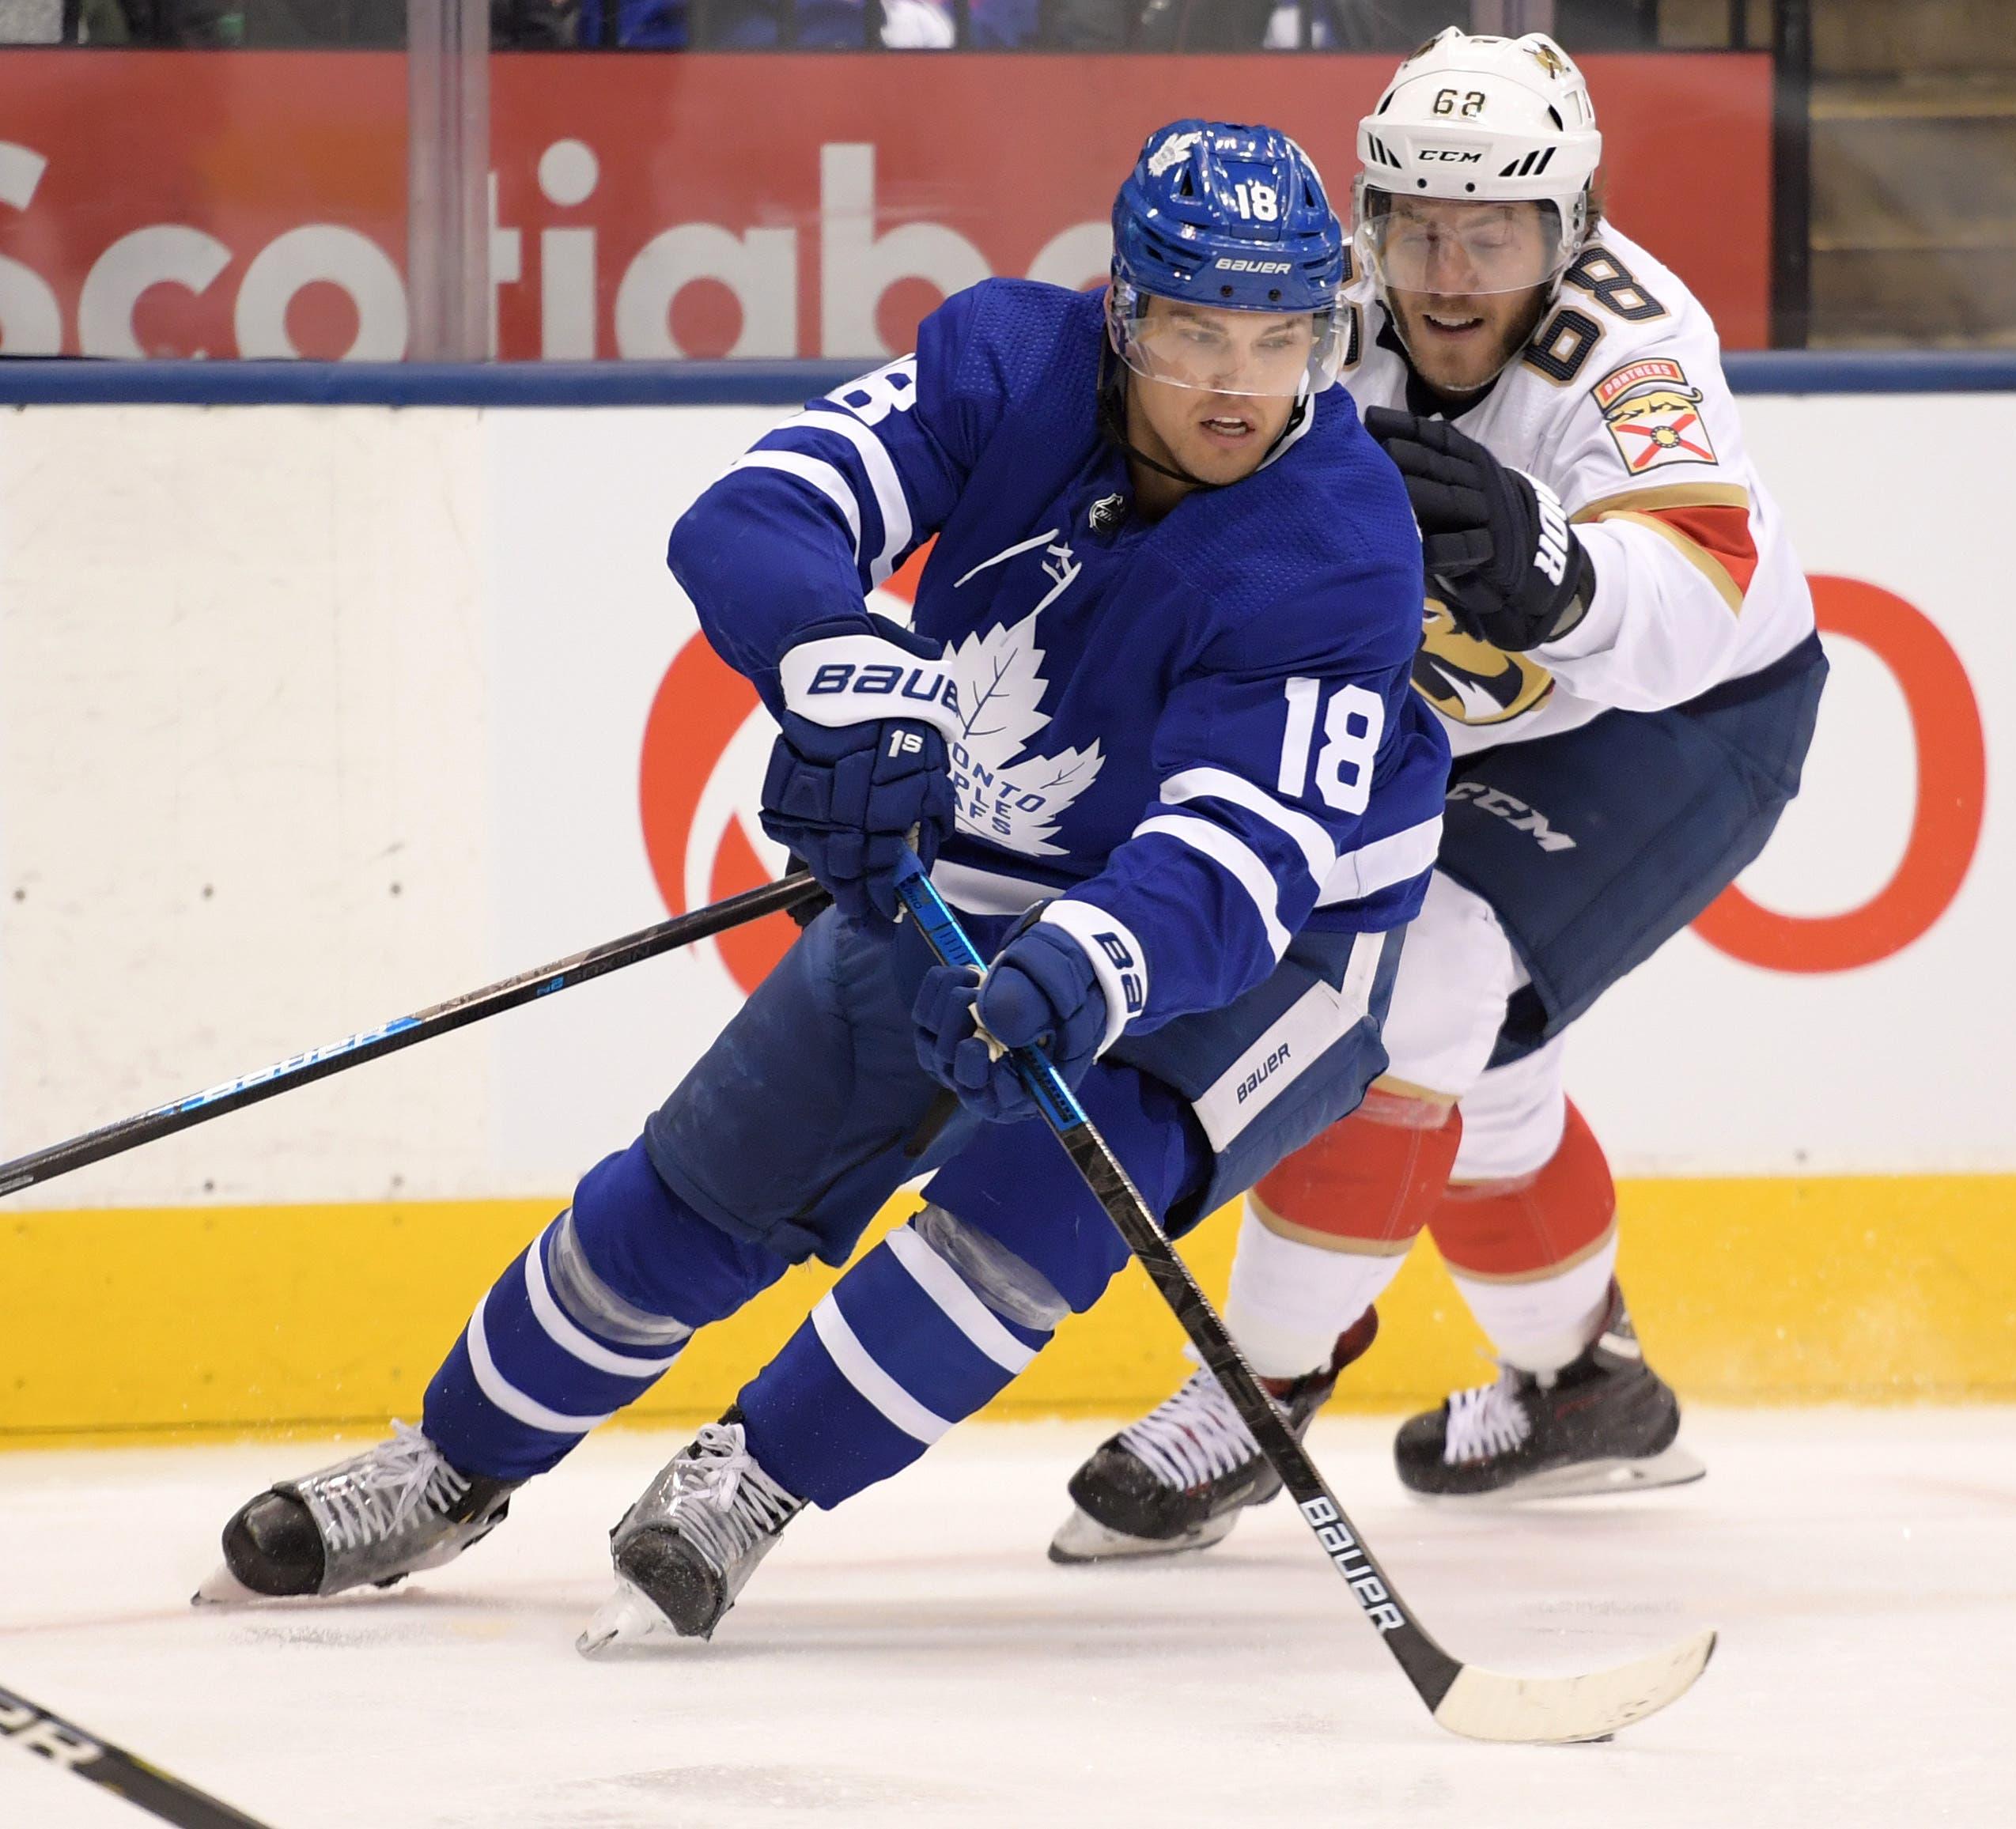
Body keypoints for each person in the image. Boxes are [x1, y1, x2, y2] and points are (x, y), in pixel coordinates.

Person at [198, 120, 1449, 1646]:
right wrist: (847, 681)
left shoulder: (1342, 536)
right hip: (986, 874)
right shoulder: (1012, 363)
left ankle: (754, 1480)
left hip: (1270, 950)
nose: (1241, 384)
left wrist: (1093, 963)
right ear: (1124, 314)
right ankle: (448, 1463)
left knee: (1021, 1214)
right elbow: (760, 511)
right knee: (693, 1192)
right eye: (1197, 331)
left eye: (1281, 338)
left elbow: (1243, 854)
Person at [1053, 30, 1826, 1560]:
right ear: (1370, 215)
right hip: (1463, 727)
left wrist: (1562, 570)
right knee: (1482, 1058)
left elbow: (1703, 589)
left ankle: (1257, 1390)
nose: (1452, 274)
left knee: (1422, 992)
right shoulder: (1315, 308)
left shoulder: (1634, 342)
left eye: (1496, 234)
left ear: (1571, 231)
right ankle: (1583, 1383)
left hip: (1676, 717)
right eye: (1418, 227)